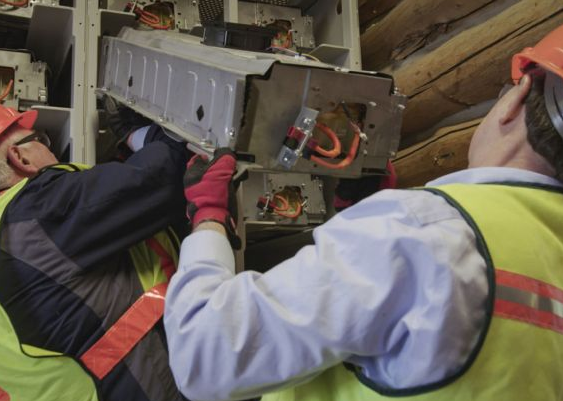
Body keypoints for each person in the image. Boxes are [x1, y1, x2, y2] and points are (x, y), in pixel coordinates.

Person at [164, 25, 563, 401]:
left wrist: (209, 218)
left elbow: (203, 353)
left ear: (517, 97)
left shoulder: (425, 232)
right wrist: (363, 225)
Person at [0, 98, 190, 401]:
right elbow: (166, 173)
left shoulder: (13, 240)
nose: (52, 150)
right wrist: (139, 135)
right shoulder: (37, 210)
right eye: (41, 140)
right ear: (20, 157)